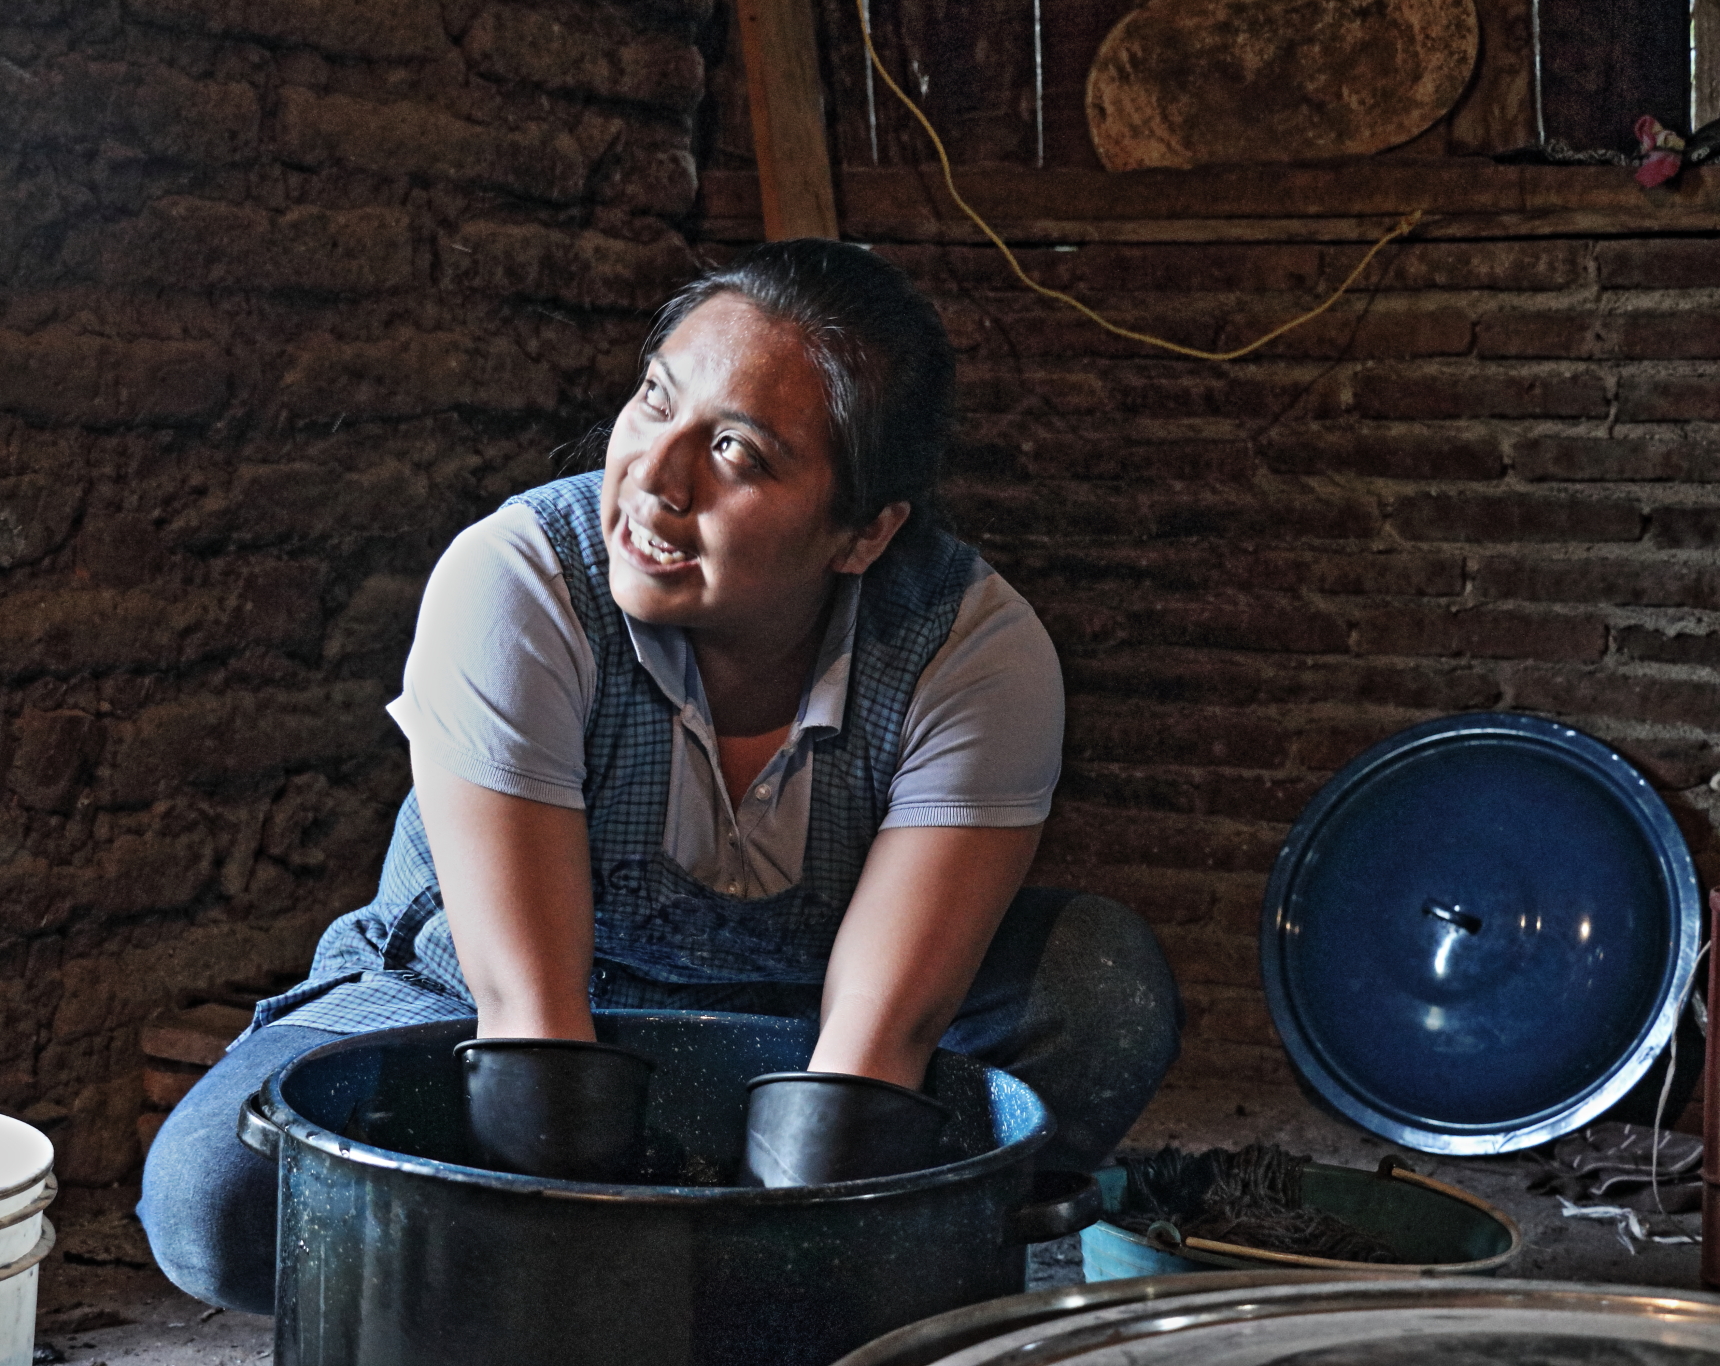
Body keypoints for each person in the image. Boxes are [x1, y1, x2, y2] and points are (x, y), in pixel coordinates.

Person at [139, 239, 1181, 1312]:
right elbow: (528, 1018)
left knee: (1094, 989)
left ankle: (775, 1263)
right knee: (214, 1199)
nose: (653, 476)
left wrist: (804, 1254)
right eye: (654, 400)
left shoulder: (969, 649)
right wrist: (594, 1295)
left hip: (798, 1026)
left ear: (863, 532)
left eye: (737, 452)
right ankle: (759, 1254)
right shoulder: (521, 579)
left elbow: (875, 1047)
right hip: (474, 1007)